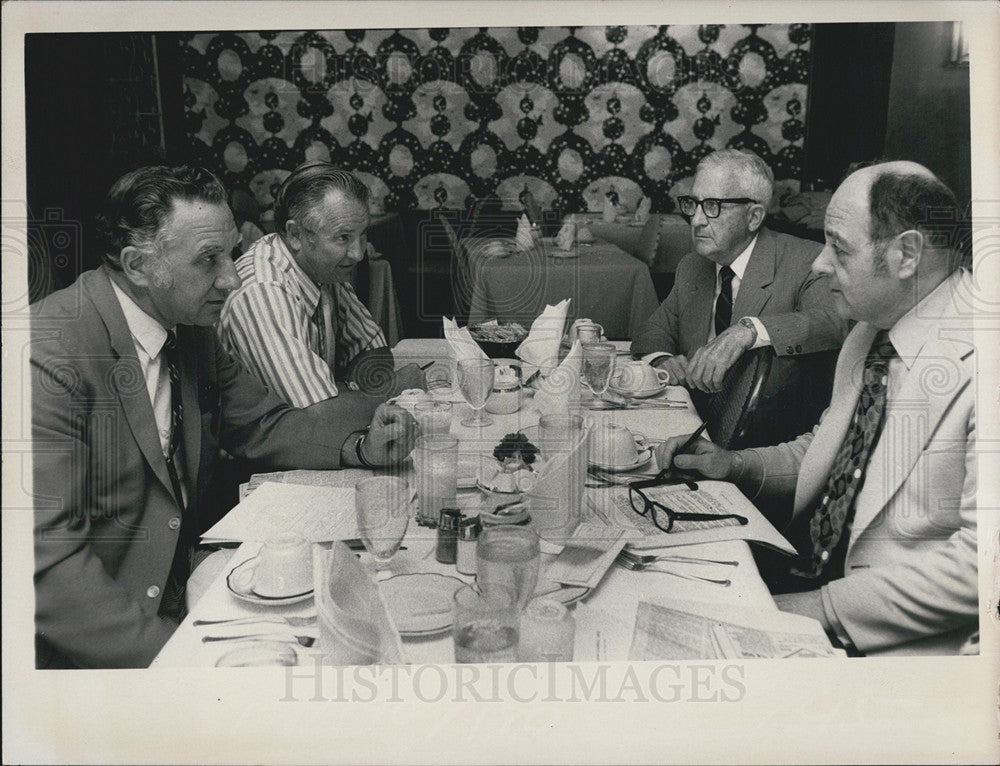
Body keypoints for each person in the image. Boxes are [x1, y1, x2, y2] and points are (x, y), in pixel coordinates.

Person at [31, 165, 418, 669]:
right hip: (111, 644)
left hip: (188, 590)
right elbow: (50, 570)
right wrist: (182, 663)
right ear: (138, 265)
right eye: (209, 260)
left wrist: (360, 448)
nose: (232, 277)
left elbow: (264, 424)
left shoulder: (189, 328)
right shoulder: (48, 356)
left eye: (232, 252)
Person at [654, 161, 977, 655]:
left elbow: (983, 564)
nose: (821, 264)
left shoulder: (983, 357)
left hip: (893, 642)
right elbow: (829, 455)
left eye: (840, 248)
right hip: (804, 576)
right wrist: (734, 463)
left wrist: (814, 609)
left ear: (907, 254)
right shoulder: (872, 331)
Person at [632, 149, 848, 445]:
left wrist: (748, 331)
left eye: (712, 206)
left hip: (762, 444)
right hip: (690, 430)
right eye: (692, 204)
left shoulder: (805, 261)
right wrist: (663, 360)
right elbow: (653, 331)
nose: (695, 220)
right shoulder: (692, 265)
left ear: (754, 216)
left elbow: (835, 321)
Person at [217, 161, 423, 408]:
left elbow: (374, 351)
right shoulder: (263, 291)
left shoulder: (323, 267)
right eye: (343, 237)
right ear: (295, 235)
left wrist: (342, 392)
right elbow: (318, 414)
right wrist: (401, 384)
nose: (358, 254)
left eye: (363, 234)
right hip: (260, 444)